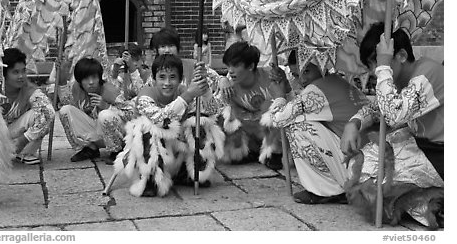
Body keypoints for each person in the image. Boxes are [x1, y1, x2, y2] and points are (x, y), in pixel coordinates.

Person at [340, 23, 443, 228]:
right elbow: (377, 109)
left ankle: (436, 200)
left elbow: (394, 115)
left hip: (441, 153)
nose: (374, 72)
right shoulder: (399, 79)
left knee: (372, 183)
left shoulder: (426, 74)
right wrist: (353, 124)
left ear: (401, 56)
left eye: (375, 64)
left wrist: (384, 66)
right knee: (359, 167)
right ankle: (428, 200)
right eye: (373, 65)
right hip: (422, 145)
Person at [261, 50, 371, 204]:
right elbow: (300, 106)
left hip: (357, 164)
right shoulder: (334, 81)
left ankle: (326, 190)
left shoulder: (317, 89)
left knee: (295, 127)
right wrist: (286, 89)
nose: (302, 79)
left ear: (321, 65)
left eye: (306, 71)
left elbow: (279, 120)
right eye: (296, 75)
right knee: (298, 121)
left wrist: (279, 96)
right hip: (366, 157)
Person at [114, 54, 225, 197]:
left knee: (201, 121)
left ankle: (191, 172)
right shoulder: (145, 96)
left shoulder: (184, 91)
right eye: (162, 77)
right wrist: (188, 95)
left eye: (172, 77)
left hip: (178, 149)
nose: (167, 83)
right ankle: (150, 180)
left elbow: (212, 111)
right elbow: (162, 120)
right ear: (153, 79)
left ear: (180, 79)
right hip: (145, 152)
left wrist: (205, 89)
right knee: (148, 126)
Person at [218, 41, 282, 169]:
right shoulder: (229, 86)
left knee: (277, 113)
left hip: (271, 129)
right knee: (226, 117)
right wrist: (221, 79)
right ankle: (247, 152)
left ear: (251, 66)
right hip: (250, 129)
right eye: (228, 66)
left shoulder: (271, 76)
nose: (230, 71)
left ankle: (275, 152)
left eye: (235, 65)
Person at [57, 57, 123, 162]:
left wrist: (106, 106)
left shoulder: (109, 90)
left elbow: (129, 113)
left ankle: (117, 151)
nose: (91, 82)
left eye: (94, 77)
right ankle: (90, 148)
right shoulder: (76, 88)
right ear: (79, 80)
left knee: (105, 115)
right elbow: (67, 103)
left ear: (99, 78)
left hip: (115, 134)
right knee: (65, 110)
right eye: (86, 79)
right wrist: (61, 77)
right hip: (95, 132)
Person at [0, 48, 55, 165]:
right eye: (15, 72)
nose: (21, 76)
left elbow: (49, 112)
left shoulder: (28, 89)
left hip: (16, 138)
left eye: (23, 71)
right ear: (4, 74)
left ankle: (25, 152)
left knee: (44, 112)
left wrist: (23, 140)